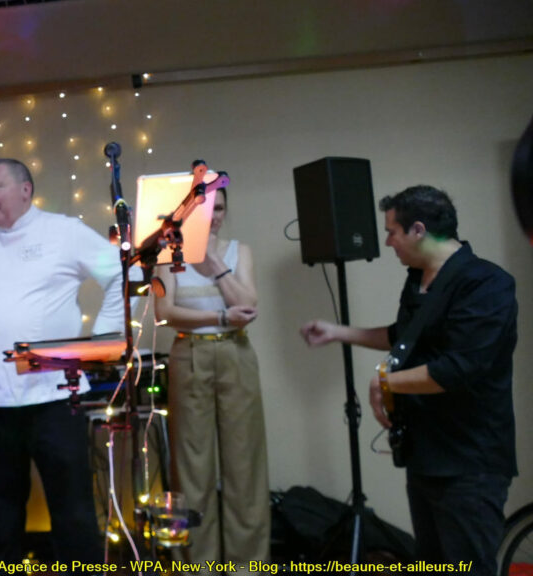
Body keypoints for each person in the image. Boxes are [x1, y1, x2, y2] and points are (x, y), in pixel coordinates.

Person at [300, 185, 517, 576]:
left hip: (471, 461)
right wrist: (337, 332)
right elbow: (404, 337)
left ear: (418, 230)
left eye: (392, 232)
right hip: (425, 454)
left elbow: (458, 369)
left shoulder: (485, 283)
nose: (387, 242)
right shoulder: (418, 278)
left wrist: (385, 382)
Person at [0, 158, 123, 568]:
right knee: (1, 514)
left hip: (56, 396)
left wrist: (102, 341)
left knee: (72, 509)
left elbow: (121, 275)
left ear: (26, 190)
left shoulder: (64, 231)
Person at [153, 187, 270, 571]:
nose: (214, 216)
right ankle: (196, 566)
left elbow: (247, 306)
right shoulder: (168, 255)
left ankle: (247, 566)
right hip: (189, 353)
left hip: (235, 352)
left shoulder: (239, 251)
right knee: (191, 467)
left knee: (244, 465)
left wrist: (216, 263)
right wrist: (219, 316)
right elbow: (165, 312)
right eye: (206, 209)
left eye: (219, 208)